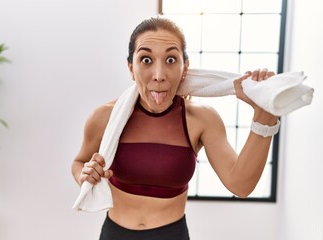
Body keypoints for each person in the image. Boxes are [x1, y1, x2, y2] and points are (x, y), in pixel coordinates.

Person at [71, 16, 279, 240]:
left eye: (170, 60)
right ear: (131, 67)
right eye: (146, 60)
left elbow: (241, 185)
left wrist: (264, 115)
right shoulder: (104, 117)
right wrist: (84, 175)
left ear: (185, 67)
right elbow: (79, 162)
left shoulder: (201, 119)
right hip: (114, 234)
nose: (159, 76)